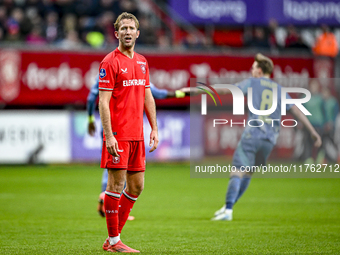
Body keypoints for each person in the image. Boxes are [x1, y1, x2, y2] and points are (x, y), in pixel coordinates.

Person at [182, 53, 322, 221]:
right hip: (270, 140)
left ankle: (227, 210)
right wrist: (313, 132)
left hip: (253, 134)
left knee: (237, 171)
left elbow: (226, 89)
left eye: (254, 67)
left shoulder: (252, 82)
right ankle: (229, 206)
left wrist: (197, 90)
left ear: (260, 70)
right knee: (248, 173)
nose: (251, 70)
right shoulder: (279, 89)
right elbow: (297, 111)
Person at [98, 12, 158, 253]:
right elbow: (103, 103)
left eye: (131, 28)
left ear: (138, 33)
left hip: (137, 135)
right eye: (123, 28)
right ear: (116, 33)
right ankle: (114, 242)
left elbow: (147, 96)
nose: (127, 31)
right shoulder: (109, 62)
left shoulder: (142, 61)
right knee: (115, 185)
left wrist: (154, 127)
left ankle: (114, 238)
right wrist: (109, 135)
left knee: (136, 187)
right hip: (118, 135)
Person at [86, 77, 186, 216]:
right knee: (122, 168)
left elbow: (92, 98)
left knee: (114, 165)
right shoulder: (135, 74)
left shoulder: (106, 75)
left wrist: (90, 119)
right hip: (125, 129)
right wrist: (181, 93)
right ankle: (113, 210)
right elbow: (157, 93)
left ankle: (106, 200)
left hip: (111, 126)